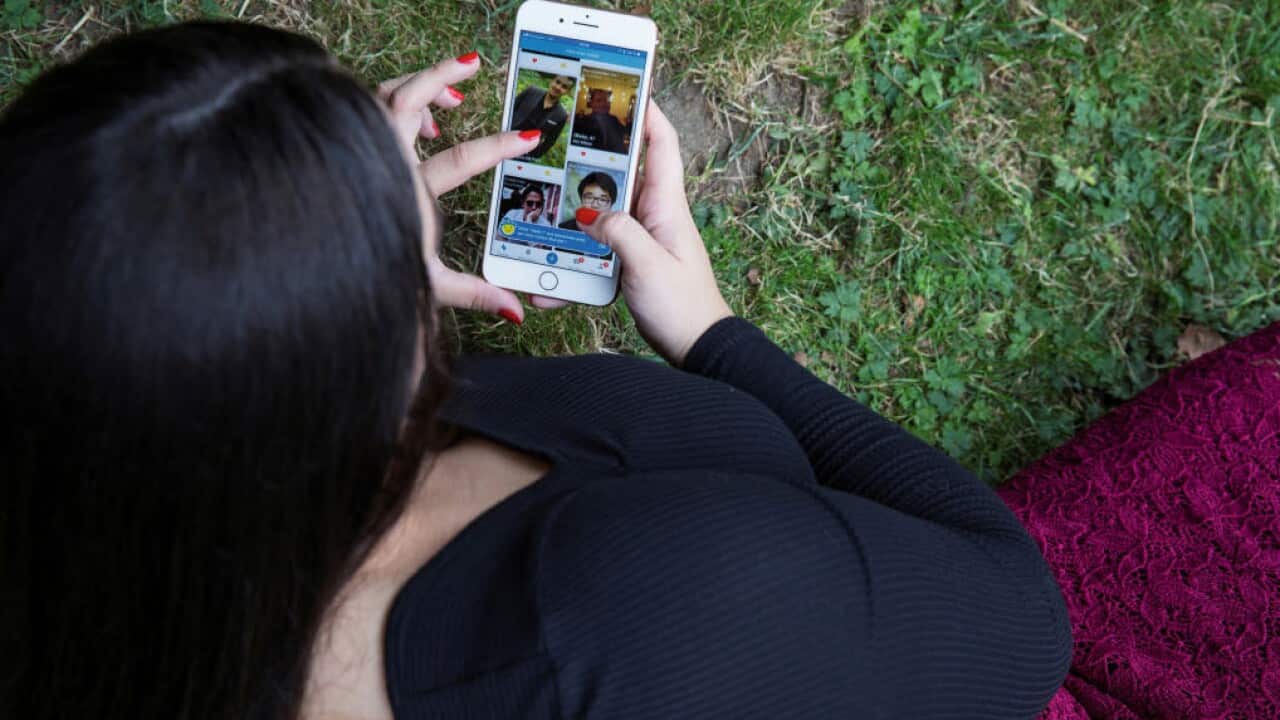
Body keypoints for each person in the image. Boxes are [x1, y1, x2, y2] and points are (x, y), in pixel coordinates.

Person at [0, 22, 1073, 720]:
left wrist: (314, 277)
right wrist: (715, 335)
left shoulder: (108, 543)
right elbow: (1021, 621)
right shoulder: (624, 629)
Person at [510, 73, 574, 159]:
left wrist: (532, 156)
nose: (558, 87)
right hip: (507, 138)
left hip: (523, 153)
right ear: (552, 81)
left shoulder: (561, 115)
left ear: (567, 92)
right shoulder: (531, 91)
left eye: (564, 87)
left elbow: (550, 142)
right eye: (557, 82)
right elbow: (510, 109)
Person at [573, 87, 629, 153]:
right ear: (591, 103)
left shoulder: (614, 119)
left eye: (606, 100)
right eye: (598, 100)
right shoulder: (582, 122)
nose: (604, 104)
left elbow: (625, 133)